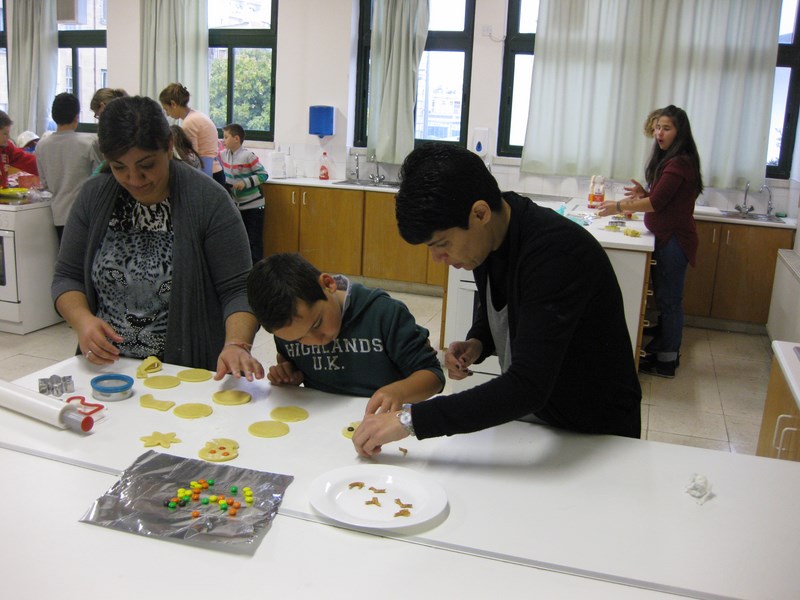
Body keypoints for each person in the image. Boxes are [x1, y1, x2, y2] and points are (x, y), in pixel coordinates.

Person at [352, 143, 642, 458]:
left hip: (596, 433)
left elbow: (527, 386)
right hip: (540, 423)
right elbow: (510, 303)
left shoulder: (557, 254)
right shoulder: (492, 234)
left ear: (480, 213)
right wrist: (479, 340)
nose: (438, 258)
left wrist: (411, 420)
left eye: (443, 244)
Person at [51, 96, 264, 381]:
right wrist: (83, 321)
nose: (135, 179)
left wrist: (237, 344)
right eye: (119, 167)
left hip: (185, 371)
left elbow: (238, 289)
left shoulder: (208, 201)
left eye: (146, 165)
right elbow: (67, 277)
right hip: (107, 369)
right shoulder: (94, 196)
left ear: (167, 146)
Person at [247, 253, 444, 412]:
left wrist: (399, 391)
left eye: (317, 324)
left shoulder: (384, 314)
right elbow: (291, 365)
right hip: (323, 423)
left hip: (384, 420)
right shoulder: (287, 330)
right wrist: (290, 375)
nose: (317, 341)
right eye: (299, 340)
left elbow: (433, 376)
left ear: (328, 284)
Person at [599, 105, 703, 378]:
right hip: (667, 238)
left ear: (679, 132)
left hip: (674, 241)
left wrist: (619, 206)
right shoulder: (672, 160)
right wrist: (643, 193)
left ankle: (666, 362)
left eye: (666, 128)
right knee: (667, 300)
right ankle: (664, 350)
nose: (659, 132)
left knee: (669, 302)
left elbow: (657, 204)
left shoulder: (679, 162)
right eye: (657, 127)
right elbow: (661, 198)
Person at [35, 93, 102, 242]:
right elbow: (100, 177)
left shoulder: (41, 145)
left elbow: (44, 183)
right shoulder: (89, 142)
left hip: (58, 215)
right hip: (86, 215)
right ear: (76, 116)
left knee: (66, 261)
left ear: (54, 116)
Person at [220, 123, 269, 263]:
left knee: (254, 240)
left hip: (254, 206)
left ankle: (256, 271)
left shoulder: (248, 156)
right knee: (241, 240)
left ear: (236, 139)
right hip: (237, 206)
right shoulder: (223, 155)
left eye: (226, 137)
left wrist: (245, 183)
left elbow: (263, 175)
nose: (223, 140)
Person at [159, 83, 225, 185]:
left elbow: (191, 158)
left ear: (173, 104)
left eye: (166, 109)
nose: (167, 114)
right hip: (216, 171)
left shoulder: (189, 123)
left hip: (208, 174)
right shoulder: (197, 115)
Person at [0, 110, 38, 187]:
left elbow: (27, 160)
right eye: (5, 134)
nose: (8, 137)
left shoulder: (7, 147)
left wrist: (49, 167)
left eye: (8, 133)